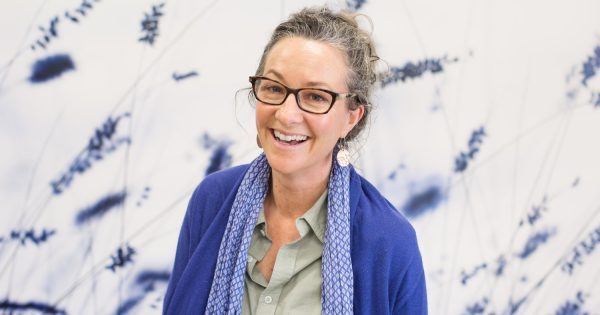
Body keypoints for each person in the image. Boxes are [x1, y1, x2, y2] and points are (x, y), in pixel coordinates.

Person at [163, 6, 427, 315]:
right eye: (274, 89)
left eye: (315, 96)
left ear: (351, 118)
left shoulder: (389, 241)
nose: (286, 114)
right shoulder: (212, 201)